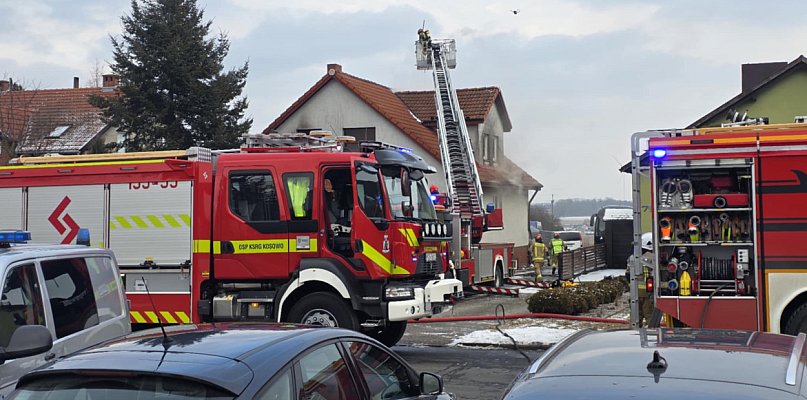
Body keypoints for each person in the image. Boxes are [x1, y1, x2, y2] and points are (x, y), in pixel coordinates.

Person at [627, 232, 655, 327]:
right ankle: (653, 338)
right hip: (649, 294)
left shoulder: (632, 258)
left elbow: (627, 275)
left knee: (635, 320)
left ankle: (634, 339)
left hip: (635, 294)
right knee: (651, 318)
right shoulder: (654, 258)